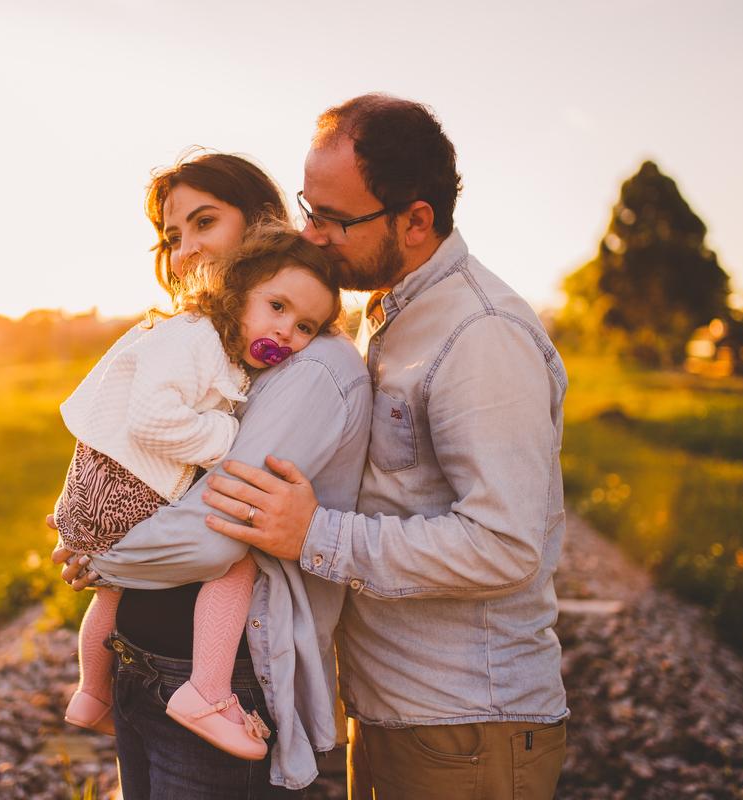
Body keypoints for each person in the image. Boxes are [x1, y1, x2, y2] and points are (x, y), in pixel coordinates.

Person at [200, 93, 570, 800]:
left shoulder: (479, 334)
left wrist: (314, 535)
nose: (310, 235)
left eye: (334, 220)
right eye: (309, 209)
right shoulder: (383, 315)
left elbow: (506, 544)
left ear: (416, 220)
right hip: (395, 715)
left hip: (465, 729)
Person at [52, 150, 372, 798]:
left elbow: (217, 534)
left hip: (219, 675)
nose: (185, 250)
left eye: (204, 223)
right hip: (142, 663)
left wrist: (104, 561)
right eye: (173, 237)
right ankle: (95, 686)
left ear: (261, 229)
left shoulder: (302, 364)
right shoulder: (213, 343)